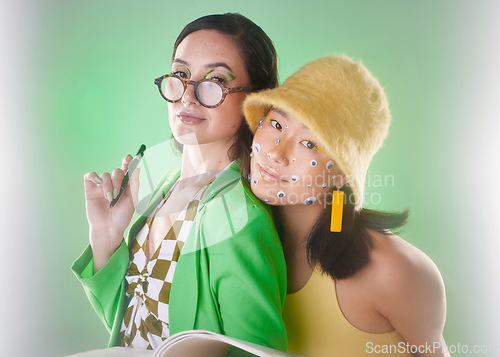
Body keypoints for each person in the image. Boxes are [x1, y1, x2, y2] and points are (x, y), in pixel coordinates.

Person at [72, 13, 287, 351]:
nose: (188, 96)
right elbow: (137, 324)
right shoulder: (163, 189)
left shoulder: (237, 219)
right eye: (181, 75)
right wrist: (106, 239)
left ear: (254, 101)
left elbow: (259, 350)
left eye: (215, 80)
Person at [243, 55, 449, 357]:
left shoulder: (395, 271)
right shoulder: (238, 236)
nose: (276, 153)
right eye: (276, 123)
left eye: (310, 143)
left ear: (342, 173)